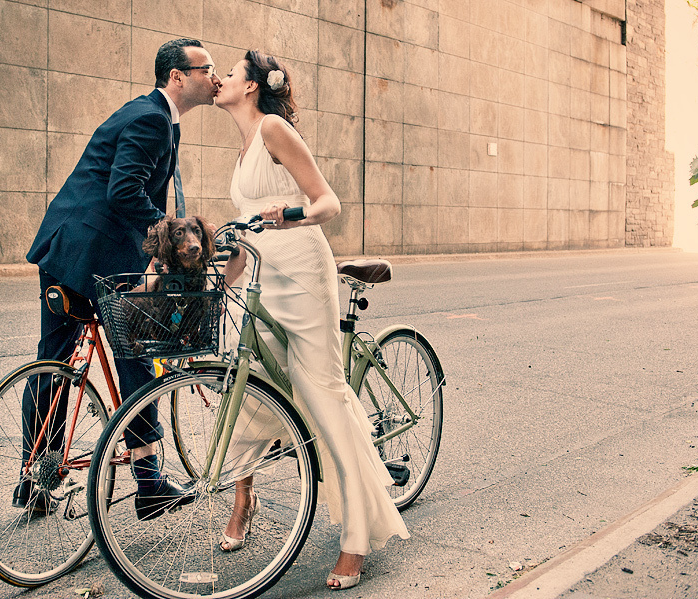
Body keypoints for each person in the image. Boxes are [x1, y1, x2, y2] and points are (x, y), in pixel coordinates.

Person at [215, 50, 409, 591]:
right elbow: (246, 230)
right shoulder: (242, 148)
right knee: (247, 388)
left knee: (323, 397)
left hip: (301, 272)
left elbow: (328, 202)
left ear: (251, 87)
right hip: (261, 280)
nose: (221, 79)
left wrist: (291, 214)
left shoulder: (273, 129)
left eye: (230, 73)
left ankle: (356, 538)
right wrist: (217, 281)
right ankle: (244, 499)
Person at [22, 38, 221, 520]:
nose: (215, 77)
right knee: (137, 348)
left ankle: (36, 477)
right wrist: (172, 234)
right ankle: (149, 482)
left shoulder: (152, 116)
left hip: (67, 248)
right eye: (207, 68)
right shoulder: (152, 119)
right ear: (177, 77)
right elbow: (125, 190)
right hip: (96, 250)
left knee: (53, 360)